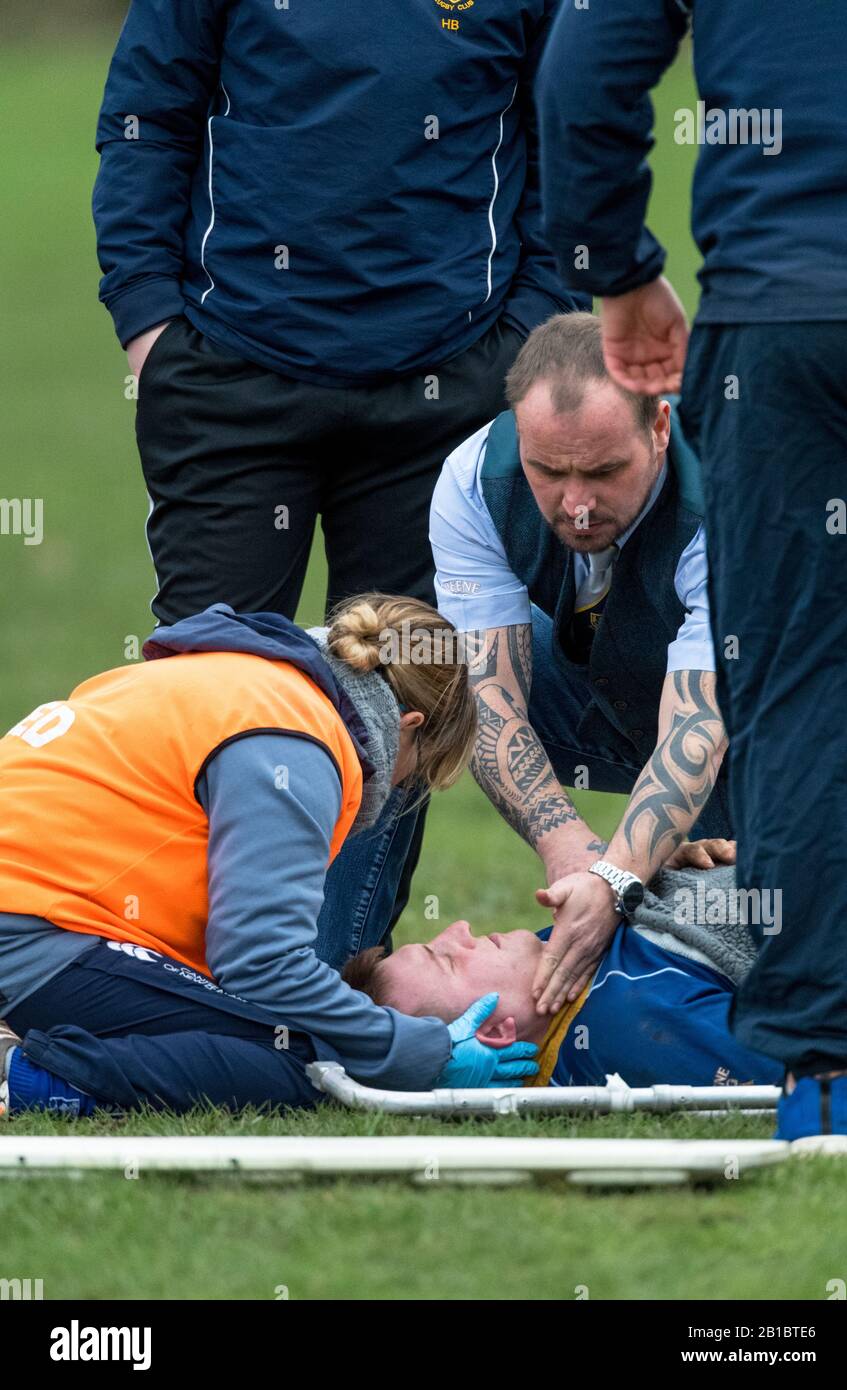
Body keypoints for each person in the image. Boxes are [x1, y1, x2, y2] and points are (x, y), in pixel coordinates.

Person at [92, 0, 587, 969]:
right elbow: (148, 109)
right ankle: (170, 969)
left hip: (444, 387)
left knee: (400, 693)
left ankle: (331, 981)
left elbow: (569, 123)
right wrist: (148, 321)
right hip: (232, 376)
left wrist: (526, 334)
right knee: (209, 693)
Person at [535, 0, 847, 1147]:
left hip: (787, 312)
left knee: (806, 686)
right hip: (788, 299)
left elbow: (581, 73)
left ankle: (827, 1078)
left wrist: (616, 270)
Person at [0, 596, 537, 1117]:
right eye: (416, 773)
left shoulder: (245, 674)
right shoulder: (297, 740)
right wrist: (419, 1053)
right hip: (28, 932)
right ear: (409, 726)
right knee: (311, 1056)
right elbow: (260, 963)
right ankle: (20, 1076)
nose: (397, 789)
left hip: (29, 913)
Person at [430, 311, 730, 1019]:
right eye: (548, 470)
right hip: (610, 694)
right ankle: (330, 987)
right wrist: (575, 855)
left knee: (766, 913)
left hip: (765, 728)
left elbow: (700, 718)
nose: (577, 505)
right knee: (390, 675)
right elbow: (486, 697)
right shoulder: (475, 478)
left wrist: (619, 875)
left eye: (603, 471)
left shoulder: (727, 489)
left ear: (659, 428)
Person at [343, 847, 783, 1092]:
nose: (458, 928)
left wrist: (656, 867)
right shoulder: (628, 1019)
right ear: (494, 1033)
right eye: (447, 959)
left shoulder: (555, 964)